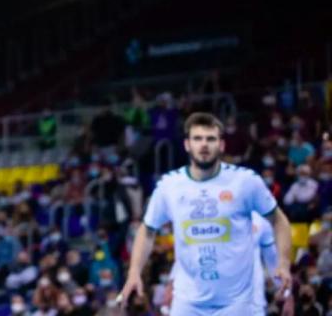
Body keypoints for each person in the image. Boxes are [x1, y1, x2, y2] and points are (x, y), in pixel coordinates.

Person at [119, 112, 292, 315]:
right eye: (197, 139)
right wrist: (134, 272)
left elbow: (279, 220)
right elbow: (147, 230)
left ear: (221, 145)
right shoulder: (169, 185)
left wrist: (284, 263)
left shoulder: (245, 181)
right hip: (187, 303)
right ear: (187, 145)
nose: (204, 145)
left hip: (237, 304)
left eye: (210, 139)